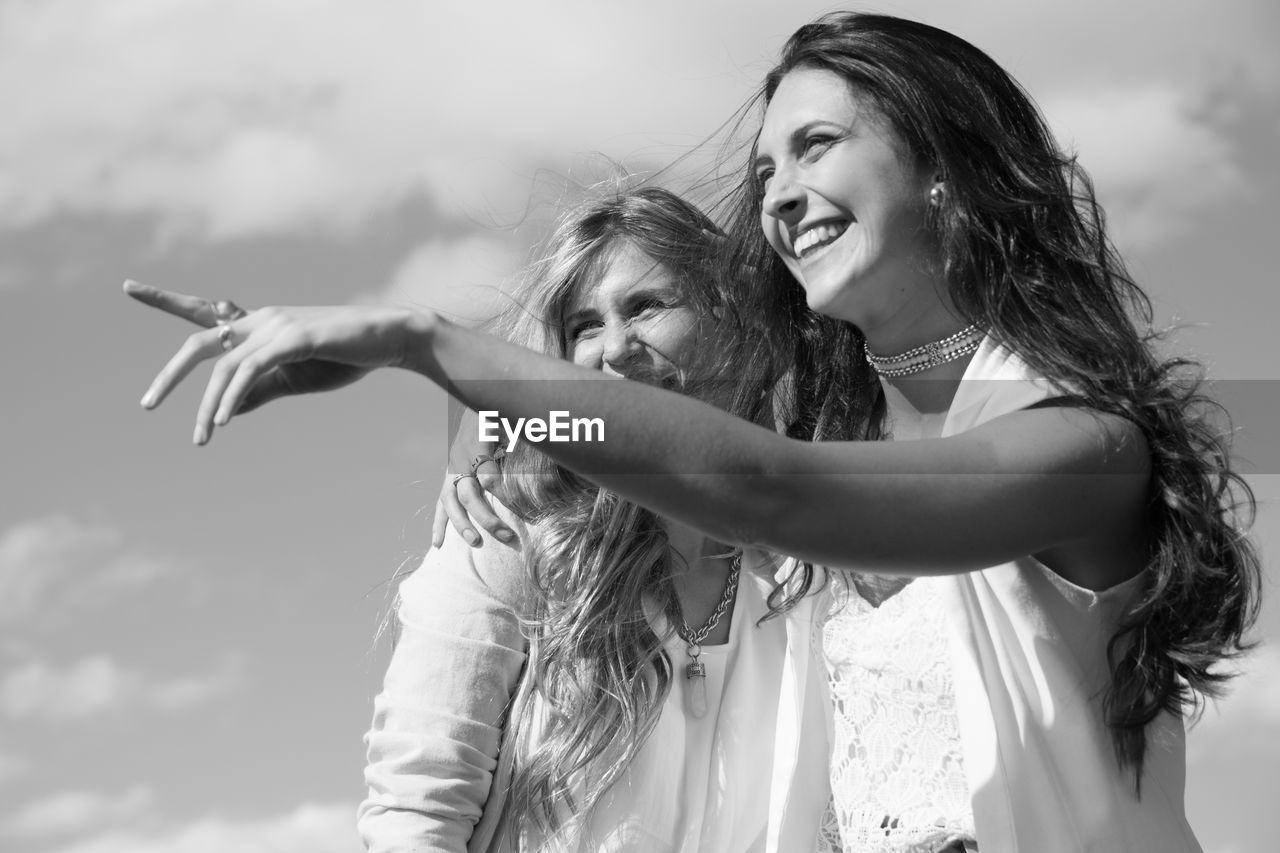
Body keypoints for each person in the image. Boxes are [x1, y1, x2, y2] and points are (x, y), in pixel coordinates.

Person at [130, 13, 1260, 852]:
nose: (777, 192)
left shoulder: (1080, 448)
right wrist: (518, 438)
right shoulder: (828, 449)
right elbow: (713, 461)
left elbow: (765, 482)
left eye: (816, 145)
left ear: (944, 173)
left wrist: (429, 348)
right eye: (764, 167)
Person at [127, 186, 834, 852]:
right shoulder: (507, 527)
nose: (614, 348)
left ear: (729, 315)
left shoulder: (811, 554)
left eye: (646, 306)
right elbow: (414, 810)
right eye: (585, 326)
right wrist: (485, 408)